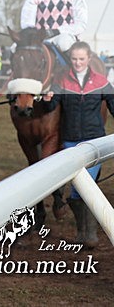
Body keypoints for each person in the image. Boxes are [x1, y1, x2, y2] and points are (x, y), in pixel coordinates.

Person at [44, 41, 114, 248]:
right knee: (79, 188)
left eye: (81, 59)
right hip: (71, 142)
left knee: (83, 188)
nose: (77, 63)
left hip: (95, 143)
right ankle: (83, 233)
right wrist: (48, 98)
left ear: (89, 59)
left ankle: (90, 233)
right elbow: (51, 106)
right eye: (74, 59)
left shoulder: (102, 82)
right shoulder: (62, 82)